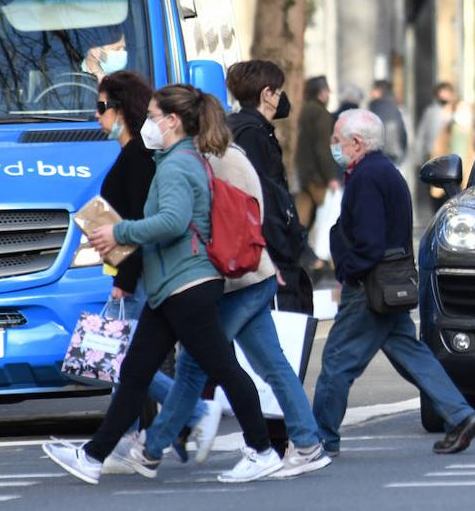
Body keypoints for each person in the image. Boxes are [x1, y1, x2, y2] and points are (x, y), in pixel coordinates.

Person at [44, 85, 283, 485]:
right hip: (173, 286)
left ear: (172, 121)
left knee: (224, 370)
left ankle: (261, 450)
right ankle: (92, 455)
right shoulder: (180, 158)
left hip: (185, 285)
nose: (148, 125)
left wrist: (122, 230)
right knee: (136, 371)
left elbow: (173, 221)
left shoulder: (176, 165)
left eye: (154, 117)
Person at [136, 139, 332, 479]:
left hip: (237, 280)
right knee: (271, 364)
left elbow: (222, 223)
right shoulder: (227, 154)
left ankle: (152, 448)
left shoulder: (210, 160)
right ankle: (306, 442)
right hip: (252, 276)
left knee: (193, 364)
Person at [313, 109, 475, 456]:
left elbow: (370, 242)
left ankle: (319, 439)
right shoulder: (386, 172)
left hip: (368, 287)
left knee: (336, 362)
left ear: (357, 142)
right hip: (390, 286)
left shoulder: (366, 177)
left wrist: (347, 269)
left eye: (337, 138)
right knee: (413, 355)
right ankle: (461, 415)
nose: (333, 145)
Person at [93, 71, 217, 472]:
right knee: (130, 361)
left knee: (128, 361)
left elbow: (149, 221)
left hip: (145, 272)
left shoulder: (140, 160)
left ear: (120, 109)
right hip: (140, 269)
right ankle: (128, 439)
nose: (96, 118)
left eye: (100, 108)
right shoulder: (136, 156)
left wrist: (123, 280)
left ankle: (190, 416)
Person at [227, 61, 313, 314]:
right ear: (267, 94)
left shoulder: (239, 128)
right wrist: (274, 255)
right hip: (267, 254)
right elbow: (263, 199)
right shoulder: (253, 135)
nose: (282, 97)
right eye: (278, 90)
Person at [296, 75, 339, 241]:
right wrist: (331, 177)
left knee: (302, 216)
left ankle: (298, 250)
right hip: (317, 176)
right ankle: (326, 256)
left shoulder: (305, 110)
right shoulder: (321, 114)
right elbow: (323, 148)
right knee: (330, 214)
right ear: (322, 93)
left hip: (305, 172)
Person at [412, 82, 456, 215]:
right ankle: (436, 214)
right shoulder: (430, 111)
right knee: (434, 191)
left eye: (446, 92)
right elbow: (422, 134)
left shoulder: (456, 111)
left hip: (451, 158)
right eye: (441, 92)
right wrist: (419, 157)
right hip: (433, 156)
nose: (444, 95)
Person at [368, 79, 408, 165]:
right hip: (393, 154)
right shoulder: (393, 106)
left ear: (380, 91)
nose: (371, 92)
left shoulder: (380, 107)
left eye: (374, 89)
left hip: (385, 154)